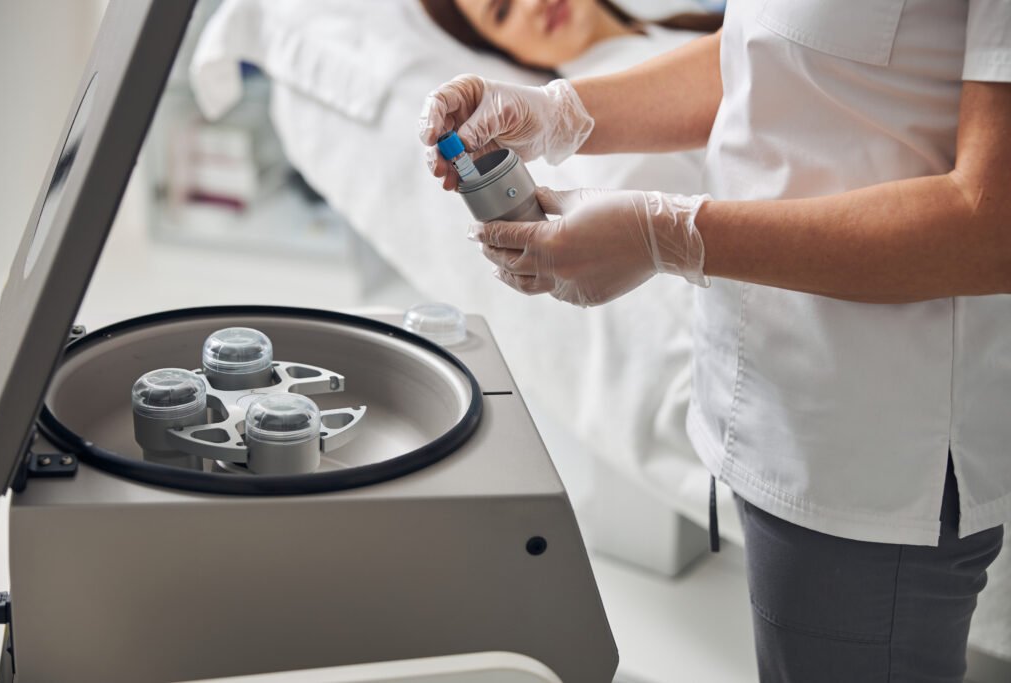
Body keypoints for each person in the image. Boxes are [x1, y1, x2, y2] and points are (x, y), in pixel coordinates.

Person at [419, 0, 1011, 680]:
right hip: (782, 405)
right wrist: (556, 112)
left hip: (878, 450)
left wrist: (668, 236)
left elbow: (992, 226)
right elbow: (768, 52)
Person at [419, 0, 722, 75]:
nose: (533, 4)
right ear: (505, 52)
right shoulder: (605, 136)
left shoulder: (680, 26)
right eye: (502, 12)